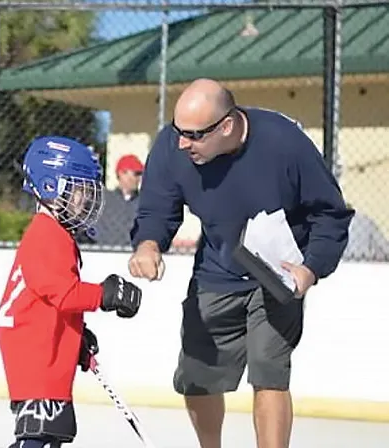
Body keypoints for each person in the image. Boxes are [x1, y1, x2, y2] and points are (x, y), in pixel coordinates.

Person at [127, 78, 354, 448]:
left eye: (195, 135)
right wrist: (148, 246)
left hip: (279, 275)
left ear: (227, 126)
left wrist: (310, 268)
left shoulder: (285, 144)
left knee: (269, 373)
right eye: (178, 130)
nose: (183, 143)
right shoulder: (173, 146)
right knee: (196, 376)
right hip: (216, 269)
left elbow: (330, 213)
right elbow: (156, 207)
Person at [0, 136, 143, 448]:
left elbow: (51, 300)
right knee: (38, 435)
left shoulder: (56, 234)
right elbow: (62, 293)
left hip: (46, 349)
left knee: (52, 435)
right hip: (35, 355)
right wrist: (105, 295)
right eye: (78, 190)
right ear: (50, 186)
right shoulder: (46, 234)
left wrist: (76, 333)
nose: (84, 199)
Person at [88, 154, 144, 247]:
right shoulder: (102, 199)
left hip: (134, 256)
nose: (137, 178)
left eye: (139, 174)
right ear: (121, 173)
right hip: (102, 254)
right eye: (136, 173)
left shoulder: (145, 202)